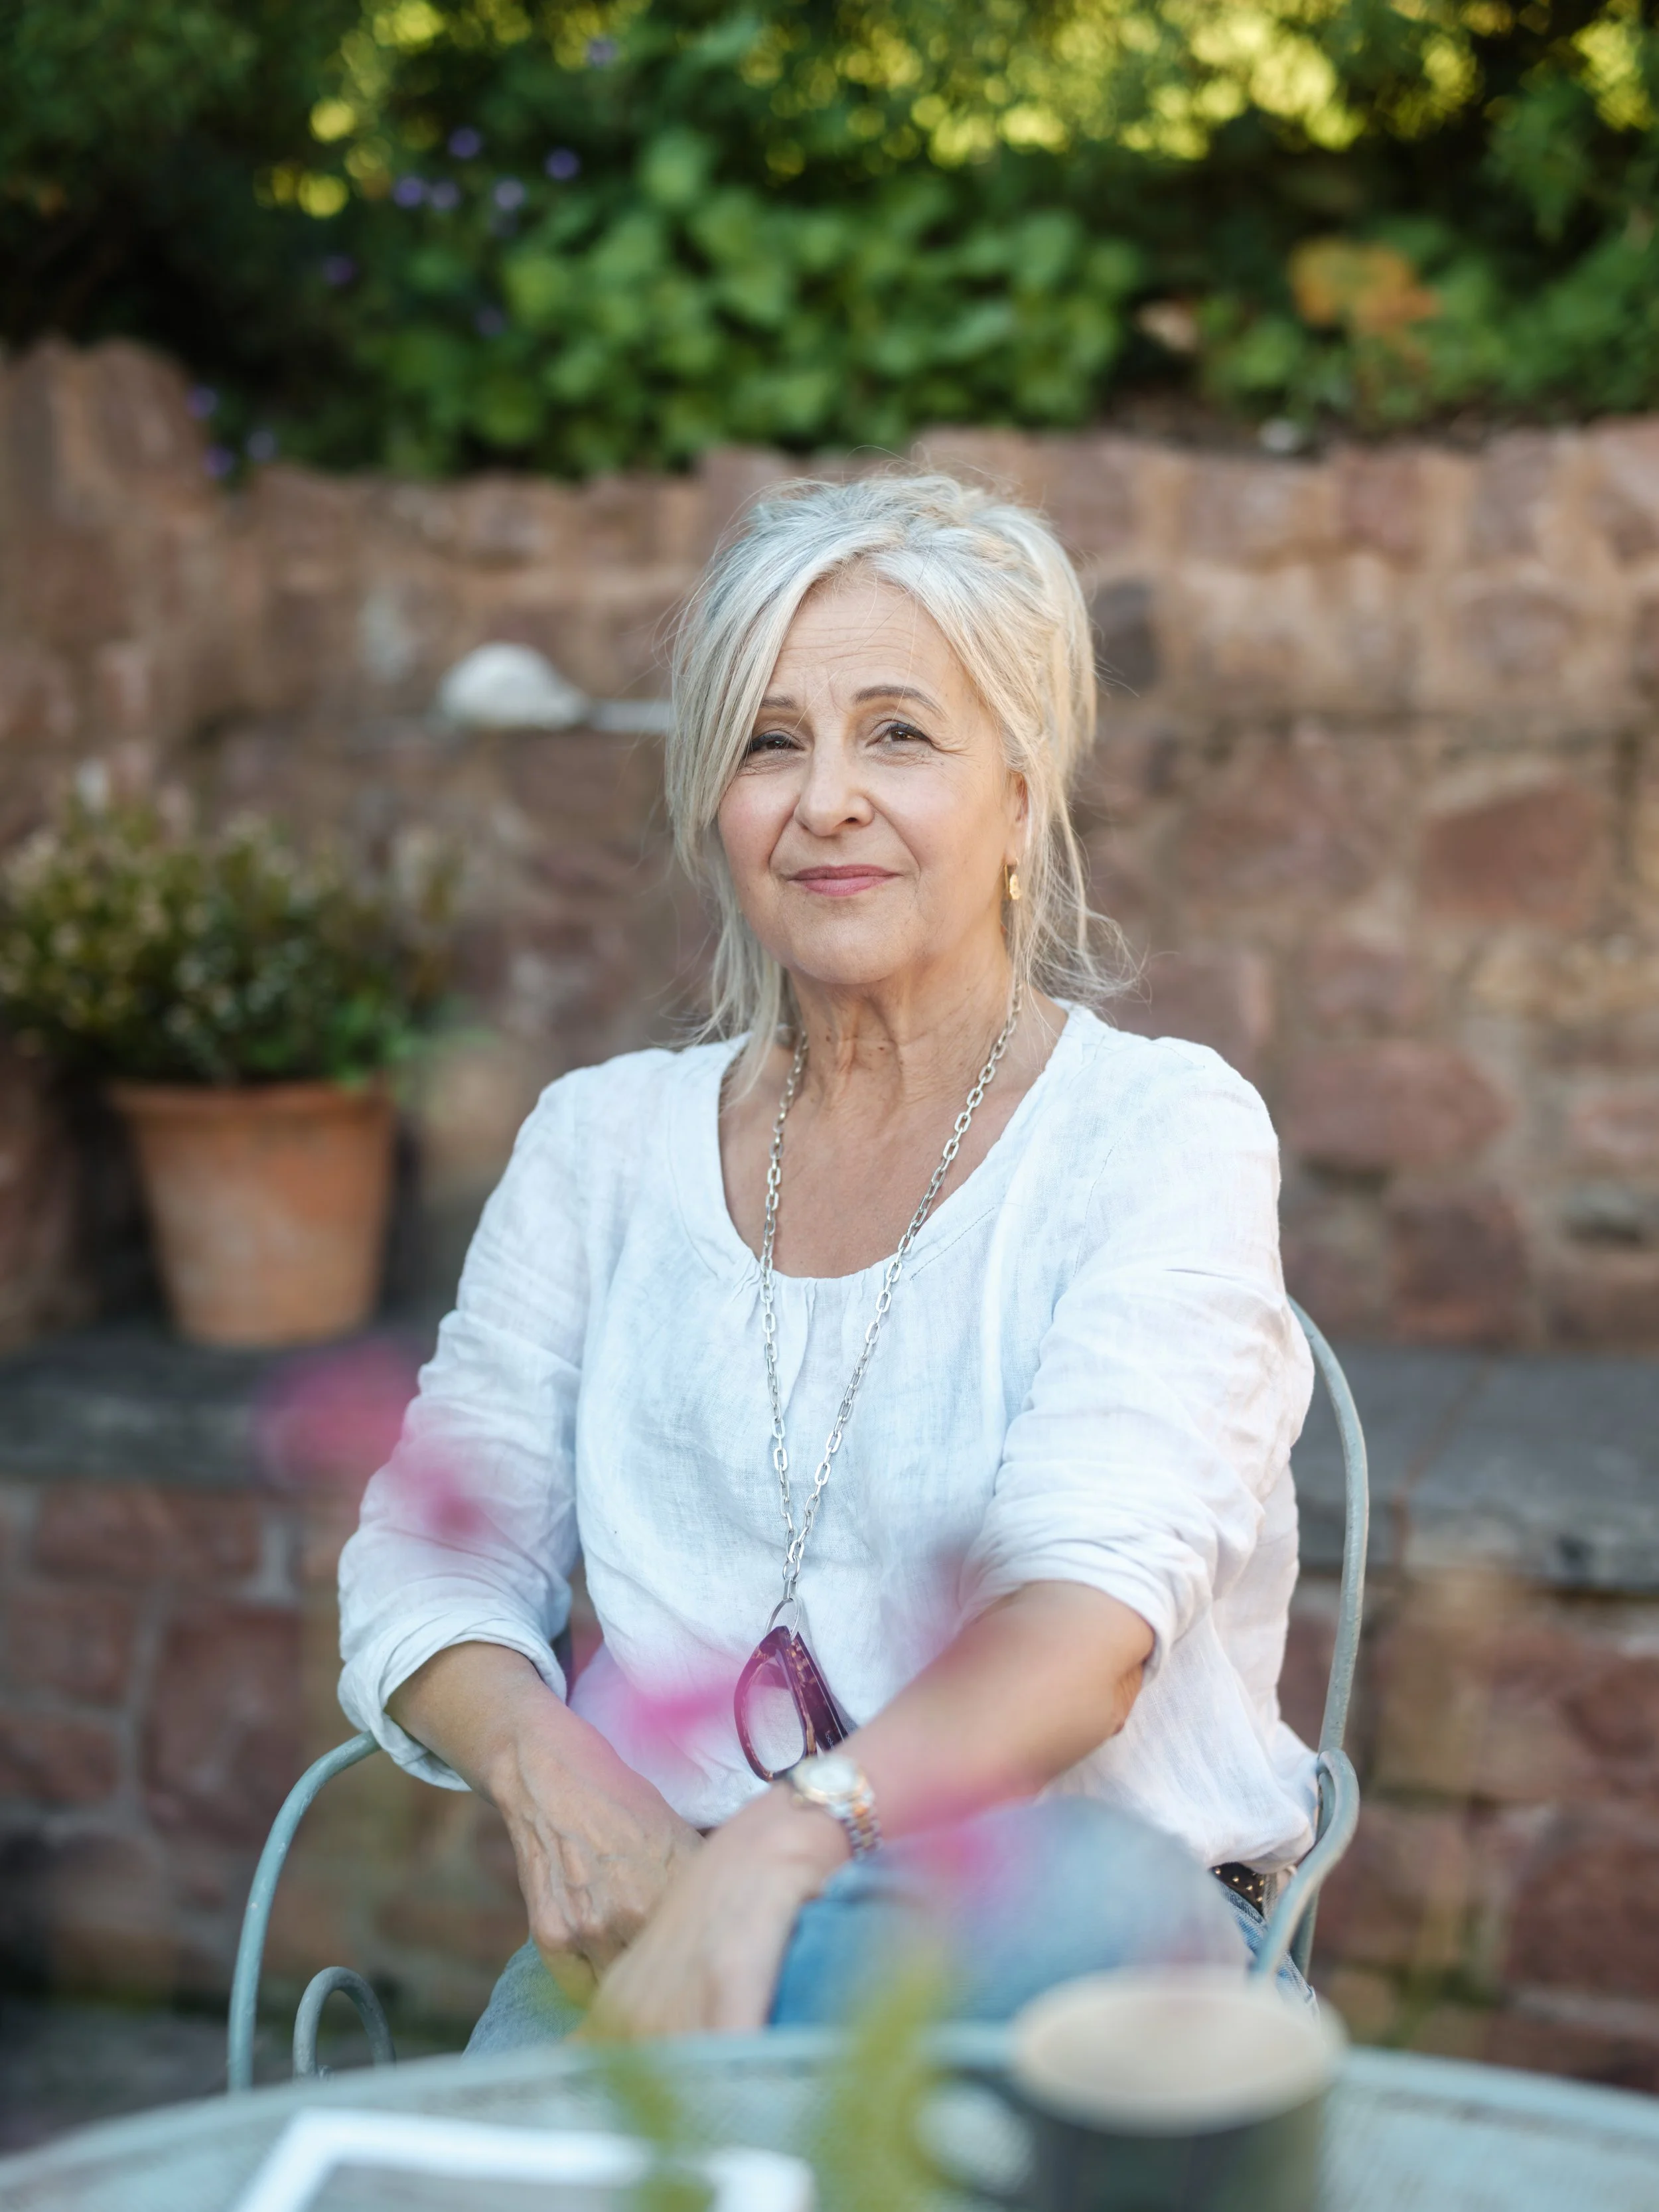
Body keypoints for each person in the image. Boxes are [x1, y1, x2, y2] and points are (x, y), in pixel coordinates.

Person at [336, 473, 1317, 2045]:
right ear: (713, 808)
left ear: (1018, 790)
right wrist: (551, 1771)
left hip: (1031, 1939)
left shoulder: (1154, 1132)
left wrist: (783, 1850)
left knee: (1087, 1888)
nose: (825, 798)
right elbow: (427, 1551)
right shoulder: (597, 1146)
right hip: (665, 1928)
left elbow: (1082, 1626)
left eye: (899, 734)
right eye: (768, 740)